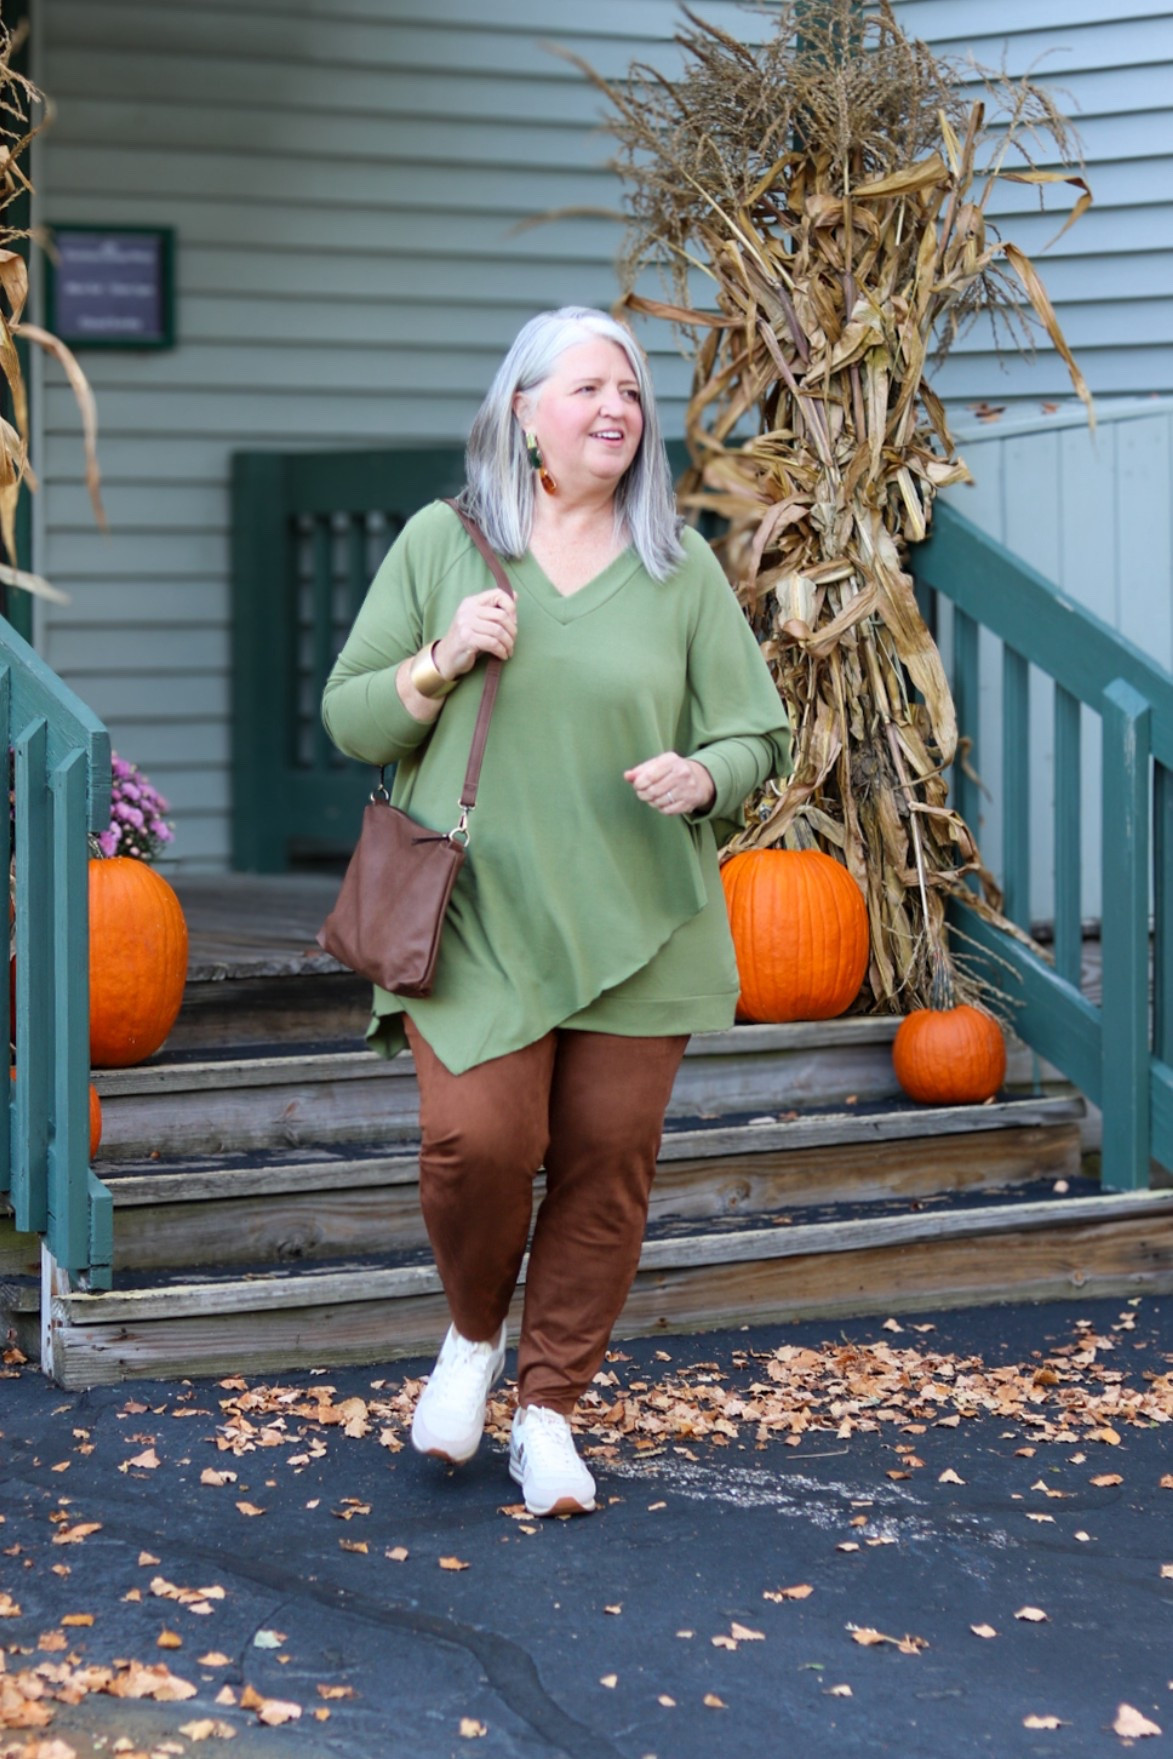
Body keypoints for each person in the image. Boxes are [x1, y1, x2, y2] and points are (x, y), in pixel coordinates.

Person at [322, 306, 790, 1518]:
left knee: (605, 1168)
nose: (616, 408)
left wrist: (707, 775)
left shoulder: (679, 570)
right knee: (477, 1144)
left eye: (631, 391)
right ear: (525, 411)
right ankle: (473, 1335)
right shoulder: (446, 542)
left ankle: (548, 1413)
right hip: (478, 912)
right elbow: (351, 716)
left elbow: (758, 733)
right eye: (588, 387)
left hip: (644, 919)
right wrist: (436, 662)